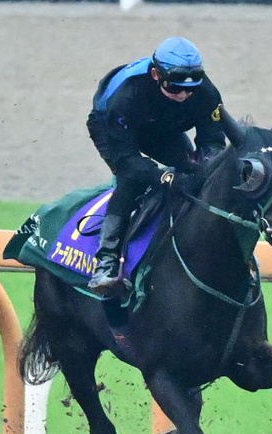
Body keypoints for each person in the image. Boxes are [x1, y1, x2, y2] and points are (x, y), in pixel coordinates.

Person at [85, 36, 226, 294]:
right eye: (175, 88)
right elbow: (128, 162)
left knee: (198, 172)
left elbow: (213, 141)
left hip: (162, 127)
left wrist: (206, 168)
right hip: (113, 125)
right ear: (155, 74)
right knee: (132, 180)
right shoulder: (126, 96)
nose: (183, 96)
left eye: (190, 89)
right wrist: (162, 177)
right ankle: (107, 261)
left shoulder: (206, 94)